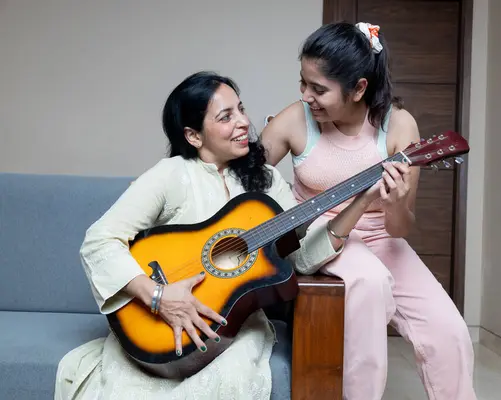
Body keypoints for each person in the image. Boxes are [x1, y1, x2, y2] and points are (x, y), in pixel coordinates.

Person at [54, 71, 399, 400]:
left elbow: (302, 260)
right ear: (193, 136)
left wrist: (361, 201)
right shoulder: (172, 175)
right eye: (226, 116)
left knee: (232, 381)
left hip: (232, 329)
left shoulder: (265, 180)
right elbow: (99, 240)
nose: (244, 123)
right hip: (156, 322)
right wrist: (159, 296)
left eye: (242, 109)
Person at [260, 22, 477, 400]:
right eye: (303, 83)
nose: (306, 95)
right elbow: (245, 179)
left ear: (359, 88)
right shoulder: (296, 119)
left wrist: (394, 203)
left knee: (449, 331)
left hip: (381, 237)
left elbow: (399, 229)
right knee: (369, 282)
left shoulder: (399, 126)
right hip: (320, 237)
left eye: (319, 89)